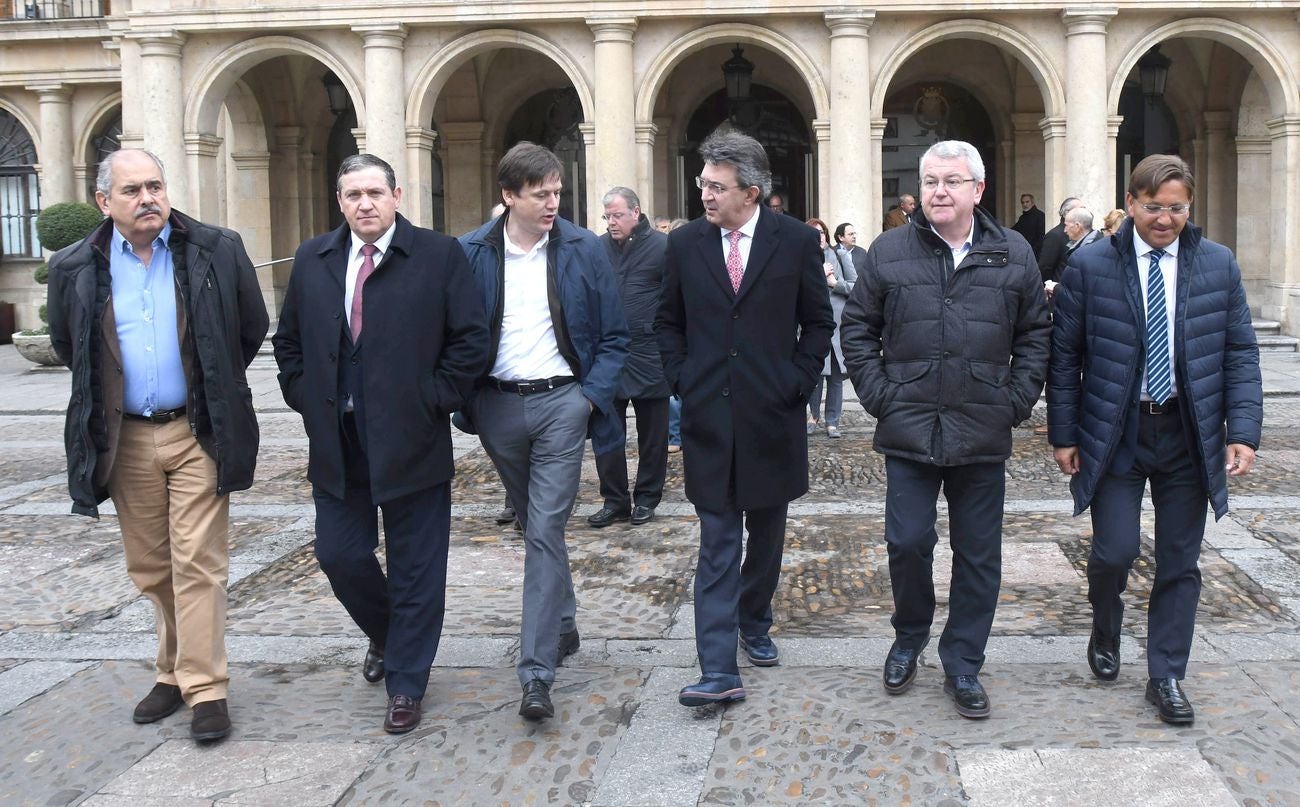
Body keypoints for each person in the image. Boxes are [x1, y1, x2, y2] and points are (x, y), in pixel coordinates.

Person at [47, 148, 269, 743]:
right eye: (132, 190)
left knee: (197, 561)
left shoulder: (215, 248)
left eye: (155, 185)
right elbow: (73, 349)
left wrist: (210, 390)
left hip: (197, 429)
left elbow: (248, 330)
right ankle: (173, 672)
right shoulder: (75, 265)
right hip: (126, 438)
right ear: (104, 202)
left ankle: (205, 688)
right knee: (151, 568)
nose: (148, 198)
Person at [273, 154, 489, 734]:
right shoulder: (314, 259)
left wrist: (434, 397)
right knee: (339, 554)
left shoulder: (439, 256)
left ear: (397, 194)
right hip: (337, 441)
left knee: (418, 567)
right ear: (339, 202)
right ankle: (390, 636)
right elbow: (288, 341)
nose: (364, 204)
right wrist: (303, 394)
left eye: (374, 192)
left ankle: (407, 683)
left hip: (412, 438)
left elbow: (471, 339)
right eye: (352, 195)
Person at [1047, 154, 1262, 725]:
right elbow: (1064, 358)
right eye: (1153, 207)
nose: (1165, 219)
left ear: (1189, 207)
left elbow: (1240, 351)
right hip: (1117, 430)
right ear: (1132, 202)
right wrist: (1064, 433)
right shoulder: (1090, 267)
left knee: (1179, 560)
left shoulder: (1217, 264)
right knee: (1113, 551)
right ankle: (1106, 624)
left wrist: (1242, 430)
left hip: (1190, 432)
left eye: (1176, 208)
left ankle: (1166, 674)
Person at [840, 140, 1050, 720]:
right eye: (931, 180)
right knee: (907, 542)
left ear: (977, 190)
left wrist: (1014, 401)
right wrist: (882, 397)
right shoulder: (888, 251)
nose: (938, 191)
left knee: (978, 555)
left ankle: (963, 661)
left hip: (982, 426)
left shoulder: (1013, 253)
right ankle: (909, 635)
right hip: (908, 425)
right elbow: (857, 330)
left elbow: (1036, 334)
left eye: (952, 181)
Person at [658, 130, 834, 708]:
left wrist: (797, 382)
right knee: (717, 541)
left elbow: (818, 322)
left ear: (752, 193)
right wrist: (683, 379)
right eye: (702, 184)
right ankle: (716, 667)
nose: (705, 195)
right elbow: (668, 323)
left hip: (772, 416)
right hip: (709, 415)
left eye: (716, 186)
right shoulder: (684, 245)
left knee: (766, 537)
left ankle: (754, 619)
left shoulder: (794, 243)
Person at [459, 142, 629, 721]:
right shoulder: (472, 252)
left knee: (544, 527)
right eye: (541, 194)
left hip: (564, 403)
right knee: (537, 524)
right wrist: (471, 403)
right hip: (498, 407)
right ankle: (566, 621)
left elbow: (614, 337)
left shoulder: (583, 248)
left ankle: (535, 672)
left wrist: (587, 400)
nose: (554, 202)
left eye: (557, 192)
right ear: (509, 197)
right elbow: (455, 334)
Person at [587, 187, 670, 527]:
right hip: (608, 357)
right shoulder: (597, 248)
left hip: (651, 355)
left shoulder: (663, 247)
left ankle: (647, 499)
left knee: (654, 437)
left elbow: (675, 301)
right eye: (607, 216)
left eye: (617, 215)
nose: (611, 222)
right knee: (607, 434)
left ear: (636, 212)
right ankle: (614, 499)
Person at [805, 217, 856, 438]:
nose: (820, 236)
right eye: (815, 233)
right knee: (815, 377)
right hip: (813, 326)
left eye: (823, 232)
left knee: (835, 377)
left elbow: (857, 286)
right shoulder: (801, 258)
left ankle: (832, 421)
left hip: (837, 327)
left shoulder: (840, 255)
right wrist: (818, 274)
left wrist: (835, 284)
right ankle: (813, 416)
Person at [1038, 196, 1083, 285]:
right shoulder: (1054, 235)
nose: (1084, 213)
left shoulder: (1083, 233)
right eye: (1080, 209)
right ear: (1067, 213)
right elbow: (1045, 267)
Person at [1011, 193, 1046, 257]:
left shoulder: (1040, 216)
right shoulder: (1022, 218)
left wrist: (1033, 250)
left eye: (1027, 202)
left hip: (1036, 253)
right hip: (1024, 251)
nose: (1025, 204)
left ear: (1032, 203)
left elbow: (1041, 236)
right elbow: (1014, 230)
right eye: (1023, 202)